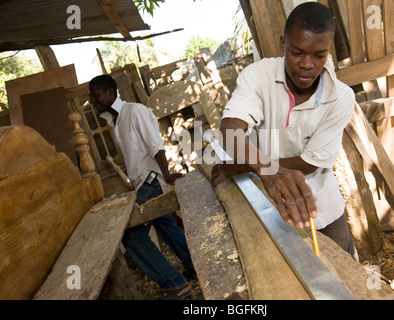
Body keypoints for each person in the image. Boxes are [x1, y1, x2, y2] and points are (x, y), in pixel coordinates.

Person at [212, 2, 358, 260]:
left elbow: (309, 163)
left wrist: (248, 166)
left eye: (319, 55)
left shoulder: (342, 98)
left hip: (322, 207)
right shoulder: (258, 76)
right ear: (283, 44)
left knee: (345, 275)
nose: (307, 65)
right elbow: (230, 129)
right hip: (272, 206)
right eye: (297, 52)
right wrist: (268, 171)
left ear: (328, 51)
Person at [88, 74, 196, 299]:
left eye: (96, 96)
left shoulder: (135, 112)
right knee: (166, 225)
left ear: (111, 92)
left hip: (151, 179)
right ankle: (196, 265)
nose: (93, 101)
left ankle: (176, 283)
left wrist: (165, 175)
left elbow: (156, 146)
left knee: (130, 234)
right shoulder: (114, 120)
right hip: (142, 183)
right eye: (90, 97)